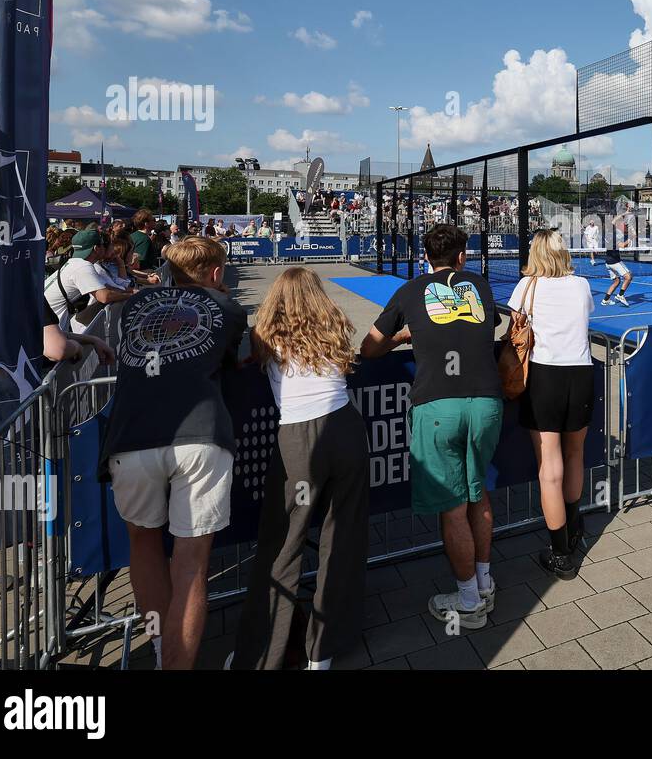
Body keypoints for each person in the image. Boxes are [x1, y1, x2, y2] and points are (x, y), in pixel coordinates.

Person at [101, 237, 246, 669]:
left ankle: (162, 648)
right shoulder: (229, 308)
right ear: (217, 273)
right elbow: (230, 361)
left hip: (131, 434)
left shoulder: (134, 306)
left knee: (143, 548)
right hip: (200, 436)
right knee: (191, 565)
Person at [361, 224, 503, 629]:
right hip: (487, 402)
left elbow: (369, 347)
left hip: (438, 404)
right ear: (462, 257)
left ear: (426, 258)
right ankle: (484, 582)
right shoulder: (481, 286)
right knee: (479, 496)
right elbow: (487, 325)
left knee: (452, 507)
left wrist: (404, 335)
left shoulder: (410, 290)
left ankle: (469, 601)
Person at [230, 268, 370, 671]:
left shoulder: (265, 336)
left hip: (298, 439)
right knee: (341, 540)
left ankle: (263, 652)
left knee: (283, 547)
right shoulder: (334, 326)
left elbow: (246, 360)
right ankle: (322, 651)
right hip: (344, 428)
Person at [510, 230, 594, 579]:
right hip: (581, 373)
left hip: (544, 377)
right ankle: (573, 530)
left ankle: (561, 554)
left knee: (549, 466)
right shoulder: (581, 285)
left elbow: (514, 324)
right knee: (575, 455)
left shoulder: (528, 286)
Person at [45, 228, 135, 333]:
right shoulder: (83, 266)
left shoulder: (74, 263)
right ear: (96, 248)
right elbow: (104, 296)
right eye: (102, 245)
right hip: (49, 328)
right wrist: (130, 295)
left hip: (48, 322)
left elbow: (108, 287)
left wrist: (127, 291)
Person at [601, 240, 632, 307]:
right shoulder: (613, 236)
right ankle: (620, 295)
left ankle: (605, 300)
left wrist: (628, 243)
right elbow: (622, 245)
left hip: (608, 263)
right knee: (628, 277)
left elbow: (623, 246)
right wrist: (630, 238)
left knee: (617, 281)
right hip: (614, 262)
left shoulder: (608, 235)